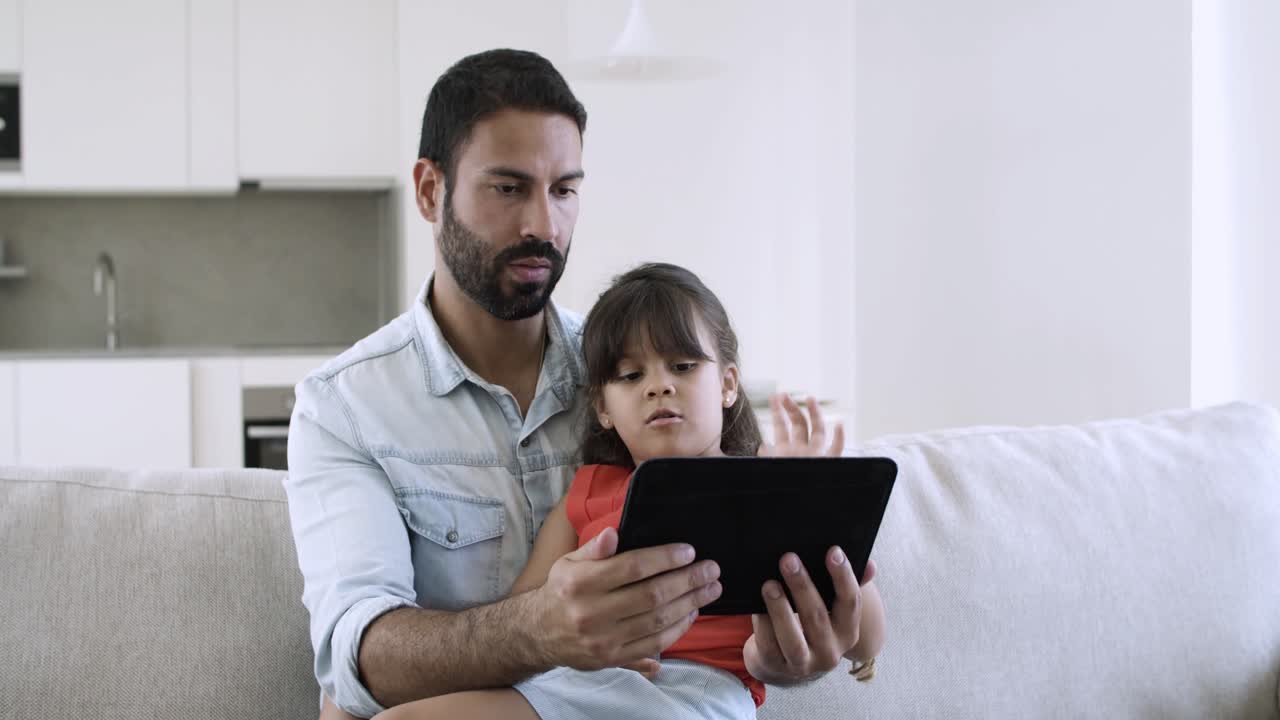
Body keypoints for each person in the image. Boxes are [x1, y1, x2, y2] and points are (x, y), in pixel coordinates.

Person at [287, 48, 884, 720]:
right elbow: (355, 658)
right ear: (431, 190)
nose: (544, 224)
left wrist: (800, 650)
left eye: (564, 189)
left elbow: (780, 617)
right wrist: (540, 629)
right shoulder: (345, 407)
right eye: (508, 188)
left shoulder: (637, 366)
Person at [371, 263, 886, 720]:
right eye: (631, 374)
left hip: (699, 693)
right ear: (603, 408)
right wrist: (577, 636)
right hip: (577, 683)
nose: (658, 386)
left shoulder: (762, 487)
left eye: (683, 366)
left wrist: (803, 509)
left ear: (728, 384)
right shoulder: (589, 491)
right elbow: (526, 616)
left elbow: (864, 641)